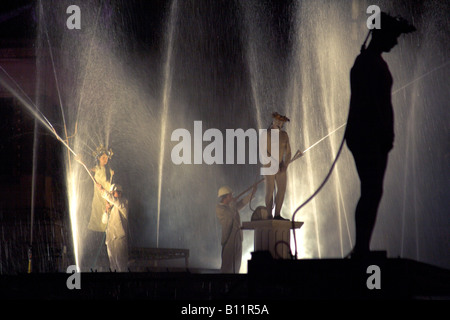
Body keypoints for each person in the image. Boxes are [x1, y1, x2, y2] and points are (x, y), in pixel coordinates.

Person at [344, 12, 416, 258]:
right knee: (371, 190)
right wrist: (383, 132)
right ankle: (361, 247)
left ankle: (362, 246)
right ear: (381, 34)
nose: (396, 42)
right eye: (394, 36)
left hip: (370, 136)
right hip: (368, 137)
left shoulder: (369, 61)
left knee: (372, 190)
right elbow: (372, 102)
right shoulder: (367, 63)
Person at [216, 185, 256, 273]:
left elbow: (242, 203)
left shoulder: (231, 206)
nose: (232, 197)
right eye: (230, 195)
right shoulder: (220, 208)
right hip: (229, 238)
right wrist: (233, 204)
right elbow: (229, 217)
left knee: (236, 264)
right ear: (225, 197)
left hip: (238, 237)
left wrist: (252, 194)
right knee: (228, 264)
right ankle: (225, 283)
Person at [264, 112, 291, 220]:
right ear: (273, 121)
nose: (279, 123)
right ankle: (269, 215)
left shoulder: (284, 135)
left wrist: (285, 165)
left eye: (281, 121)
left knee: (282, 189)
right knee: (270, 190)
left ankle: (277, 214)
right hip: (268, 166)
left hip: (281, 167)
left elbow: (288, 153)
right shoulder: (266, 134)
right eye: (277, 120)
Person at [97, 183, 129, 272]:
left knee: (120, 264)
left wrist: (103, 190)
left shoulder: (123, 203)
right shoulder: (112, 208)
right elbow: (104, 221)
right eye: (111, 193)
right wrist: (106, 210)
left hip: (119, 238)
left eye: (113, 193)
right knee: (113, 264)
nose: (111, 195)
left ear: (120, 194)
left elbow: (115, 201)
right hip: (110, 239)